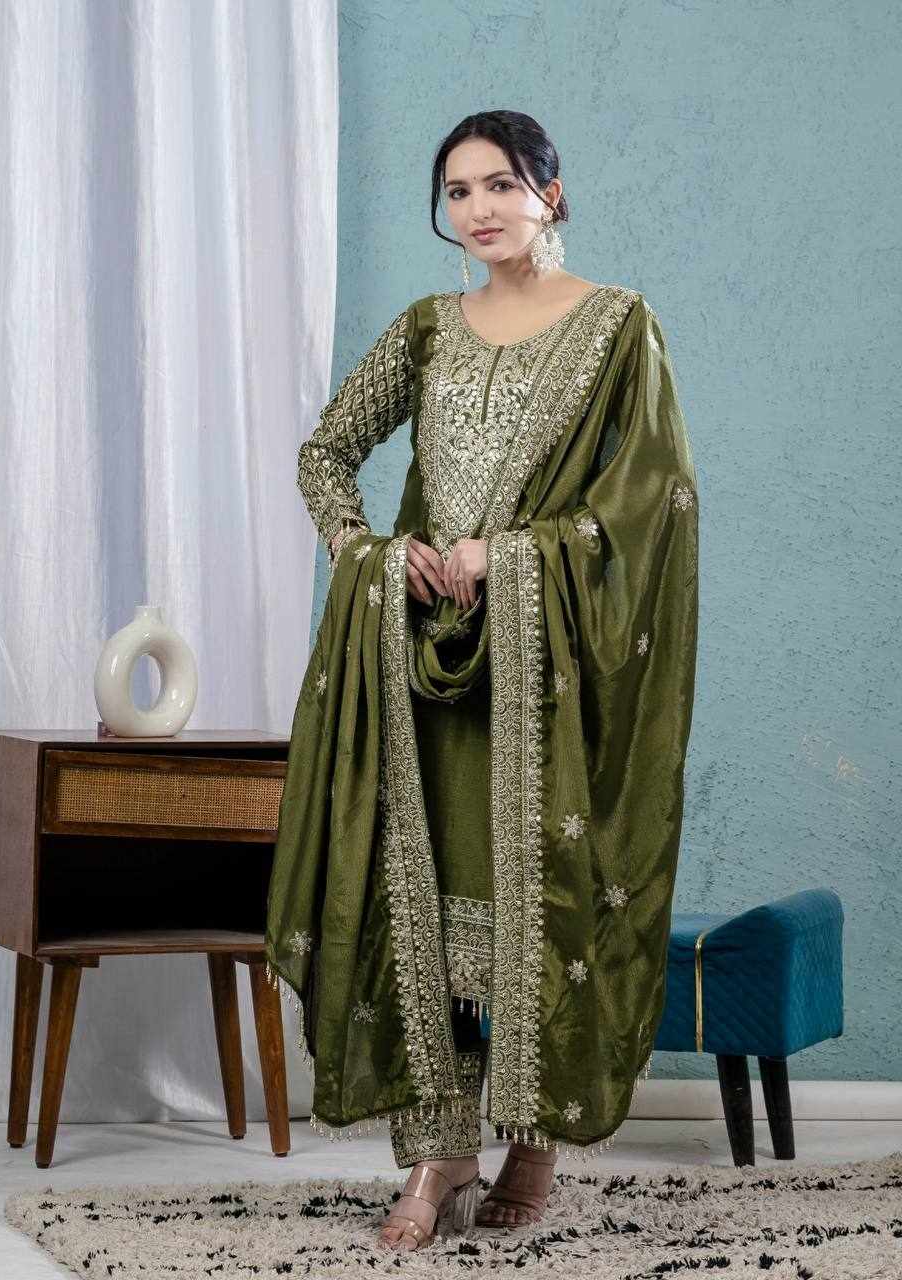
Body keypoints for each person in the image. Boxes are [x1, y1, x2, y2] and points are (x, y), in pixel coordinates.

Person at [265, 109, 700, 1252]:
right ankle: (441, 1154)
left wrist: (506, 558)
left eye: (500, 183)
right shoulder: (426, 330)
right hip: (425, 669)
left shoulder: (618, 328)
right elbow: (324, 453)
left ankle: (534, 1143)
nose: (478, 209)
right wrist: (373, 551)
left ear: (551, 190)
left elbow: (648, 505)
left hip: (550, 672)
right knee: (427, 913)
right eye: (457, 191)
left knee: (534, 906)